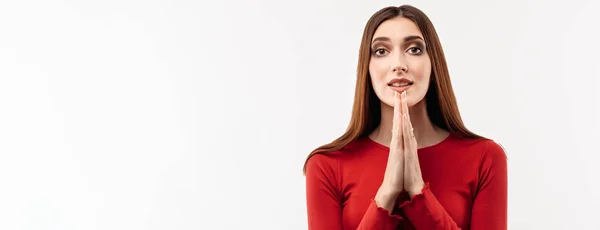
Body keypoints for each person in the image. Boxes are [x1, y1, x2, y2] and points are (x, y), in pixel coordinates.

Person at [302, 5, 508, 230]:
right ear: (367, 68)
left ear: (433, 64)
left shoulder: (484, 158)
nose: (398, 64)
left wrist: (418, 191)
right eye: (381, 51)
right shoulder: (326, 166)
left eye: (414, 49)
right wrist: (388, 192)